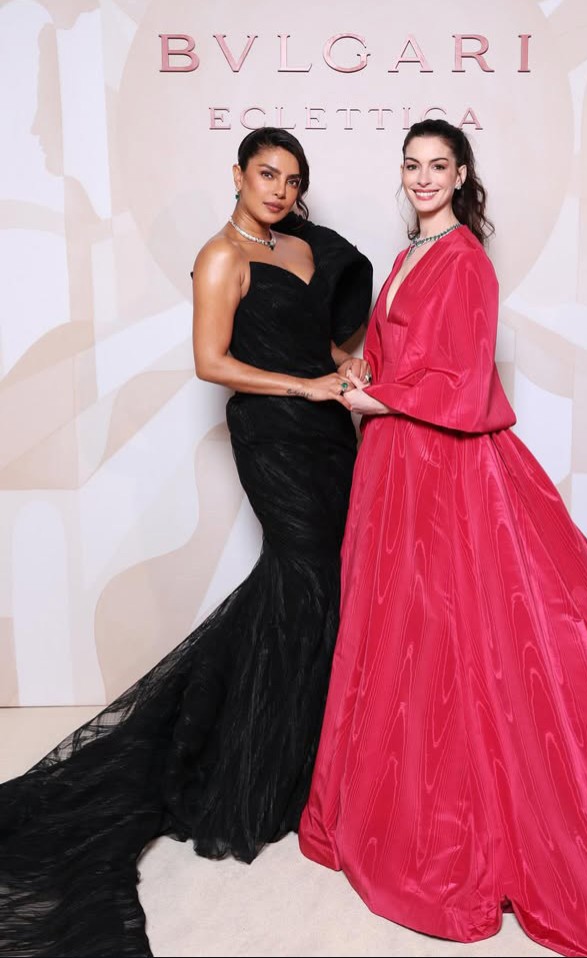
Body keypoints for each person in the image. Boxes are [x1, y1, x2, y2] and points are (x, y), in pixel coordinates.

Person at [298, 119, 587, 958]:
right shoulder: (408, 256)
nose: (423, 178)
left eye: (438, 166)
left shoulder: (465, 261)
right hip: (394, 465)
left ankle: (466, 815)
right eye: (412, 165)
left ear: (461, 175)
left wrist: (380, 399)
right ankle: (398, 797)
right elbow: (399, 357)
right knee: (401, 630)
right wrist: (364, 376)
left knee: (470, 635)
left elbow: (462, 380)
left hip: (443, 468)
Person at [0, 127, 372, 958]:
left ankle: (301, 755)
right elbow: (212, 361)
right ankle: (251, 766)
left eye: (292, 179)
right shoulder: (219, 256)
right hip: (273, 435)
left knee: (322, 584)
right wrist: (304, 387)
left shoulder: (302, 246)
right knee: (303, 576)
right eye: (266, 174)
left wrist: (342, 370)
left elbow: (318, 338)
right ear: (237, 173)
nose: (279, 190)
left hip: (328, 435)